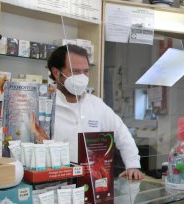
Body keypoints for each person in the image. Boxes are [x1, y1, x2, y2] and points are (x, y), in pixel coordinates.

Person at [47, 44, 143, 180]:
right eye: (75, 71)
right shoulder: (45, 106)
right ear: (57, 73)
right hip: (55, 182)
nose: (82, 77)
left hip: (92, 183)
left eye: (86, 71)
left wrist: (132, 165)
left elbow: (122, 134)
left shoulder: (96, 104)